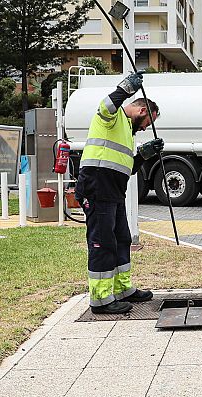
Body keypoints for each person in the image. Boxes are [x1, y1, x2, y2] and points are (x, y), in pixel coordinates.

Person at [75, 72, 164, 314]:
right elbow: (105, 105)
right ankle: (101, 300)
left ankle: (122, 289)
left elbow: (124, 167)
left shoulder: (126, 130)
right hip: (96, 187)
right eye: (148, 124)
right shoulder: (111, 118)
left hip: (113, 192)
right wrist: (126, 88)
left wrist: (143, 156)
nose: (146, 129)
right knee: (102, 243)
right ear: (142, 111)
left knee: (121, 239)